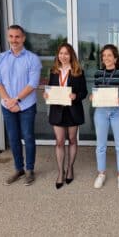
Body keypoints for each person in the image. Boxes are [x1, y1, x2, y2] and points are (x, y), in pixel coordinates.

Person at [0, 25, 42, 186]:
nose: (14, 40)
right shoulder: (1, 58)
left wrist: (17, 100)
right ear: (8, 38)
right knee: (13, 138)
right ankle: (18, 169)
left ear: (23, 38)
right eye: (11, 36)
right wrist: (8, 100)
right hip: (7, 105)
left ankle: (29, 169)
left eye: (17, 37)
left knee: (28, 137)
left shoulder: (32, 59)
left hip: (26, 105)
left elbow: (33, 84)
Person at [43, 43, 87, 189]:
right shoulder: (54, 71)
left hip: (73, 110)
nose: (63, 56)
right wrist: (46, 94)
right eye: (61, 53)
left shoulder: (78, 71)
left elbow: (84, 92)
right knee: (60, 141)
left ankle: (70, 168)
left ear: (71, 55)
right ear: (58, 55)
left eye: (66, 53)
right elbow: (50, 87)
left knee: (72, 140)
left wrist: (76, 95)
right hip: (57, 110)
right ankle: (60, 172)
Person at [91, 44, 119, 190]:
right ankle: (101, 174)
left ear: (115, 58)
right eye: (104, 55)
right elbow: (95, 91)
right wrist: (92, 96)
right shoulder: (98, 73)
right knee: (100, 145)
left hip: (116, 111)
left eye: (109, 55)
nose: (106, 58)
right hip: (101, 111)